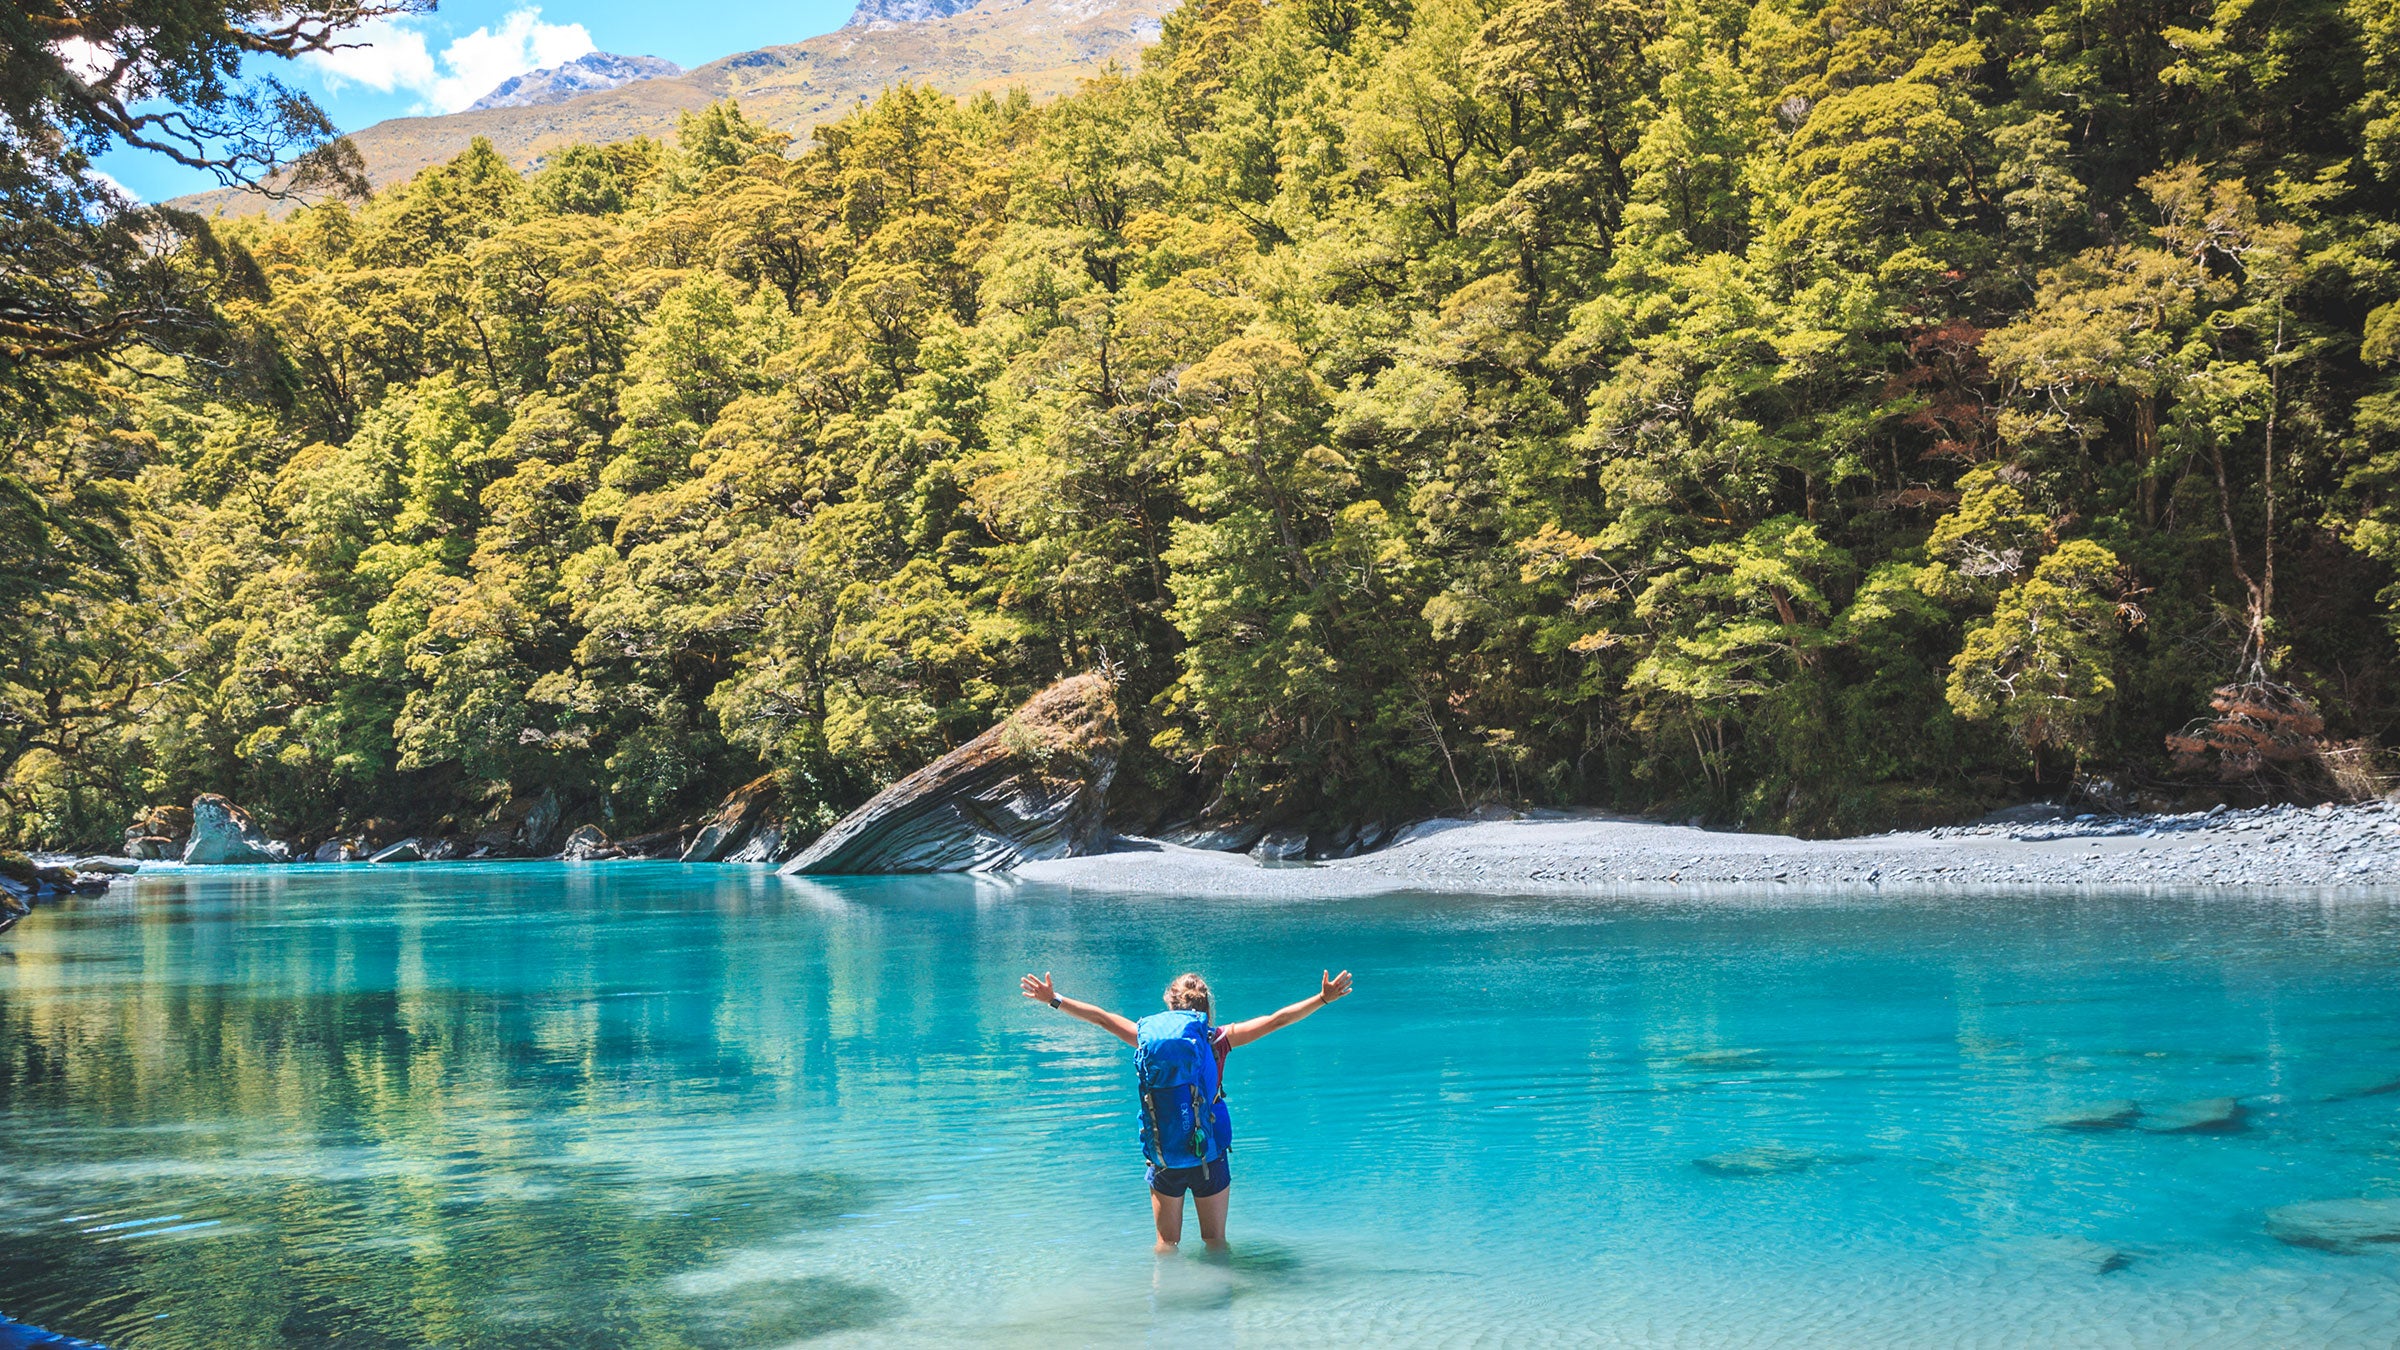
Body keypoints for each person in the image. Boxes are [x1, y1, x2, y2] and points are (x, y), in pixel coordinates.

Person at [1019, 966, 1354, 1252]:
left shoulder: (1146, 1037)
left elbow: (1102, 1019)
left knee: (1167, 1246)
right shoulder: (1221, 1039)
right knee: (1215, 1243)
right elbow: (1277, 1020)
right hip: (1208, 1153)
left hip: (1165, 1154)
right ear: (1206, 1008)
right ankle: (1218, 1317)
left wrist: (1054, 998)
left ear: (1169, 1007)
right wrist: (1322, 999)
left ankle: (1164, 1313)